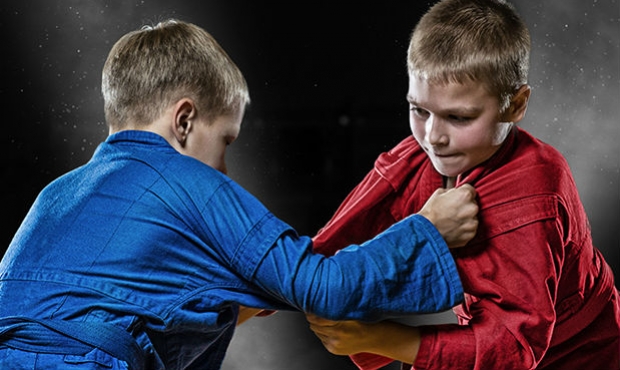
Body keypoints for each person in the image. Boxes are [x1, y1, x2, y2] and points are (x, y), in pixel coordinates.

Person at [0, 19, 480, 370]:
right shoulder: (188, 182)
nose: (225, 167)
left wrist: (222, 306)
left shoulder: (56, 195)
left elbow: (94, 307)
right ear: (184, 120)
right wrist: (428, 231)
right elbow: (325, 286)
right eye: (226, 140)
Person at [306, 0, 620, 369]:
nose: (433, 137)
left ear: (516, 105)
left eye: (459, 117)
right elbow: (325, 252)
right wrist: (258, 296)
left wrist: (387, 340)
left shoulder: (536, 196)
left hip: (578, 356)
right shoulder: (420, 153)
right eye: (419, 110)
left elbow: (515, 349)